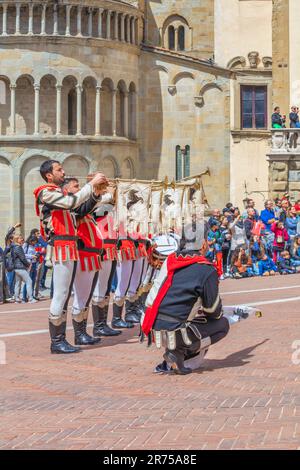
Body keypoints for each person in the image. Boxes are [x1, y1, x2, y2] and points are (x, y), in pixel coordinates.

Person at [33, 160, 108, 354]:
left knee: (65, 294)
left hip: (69, 247)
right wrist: (90, 185)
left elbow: (81, 210)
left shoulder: (60, 194)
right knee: (60, 295)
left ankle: (62, 339)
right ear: (49, 175)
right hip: (60, 246)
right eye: (59, 169)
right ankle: (57, 342)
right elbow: (72, 203)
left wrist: (96, 193)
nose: (63, 172)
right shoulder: (45, 191)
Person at [141, 237, 230, 375]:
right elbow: (213, 311)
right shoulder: (206, 269)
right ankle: (179, 352)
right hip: (172, 331)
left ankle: (176, 352)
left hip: (148, 324)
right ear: (203, 245)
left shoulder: (170, 260)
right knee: (223, 325)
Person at [12, 234, 38, 304]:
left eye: (22, 238)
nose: (22, 240)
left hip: (16, 268)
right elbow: (22, 258)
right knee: (29, 281)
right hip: (20, 267)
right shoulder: (18, 247)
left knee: (18, 283)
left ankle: (17, 299)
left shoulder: (14, 247)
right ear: (17, 240)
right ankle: (31, 298)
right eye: (21, 239)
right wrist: (28, 264)